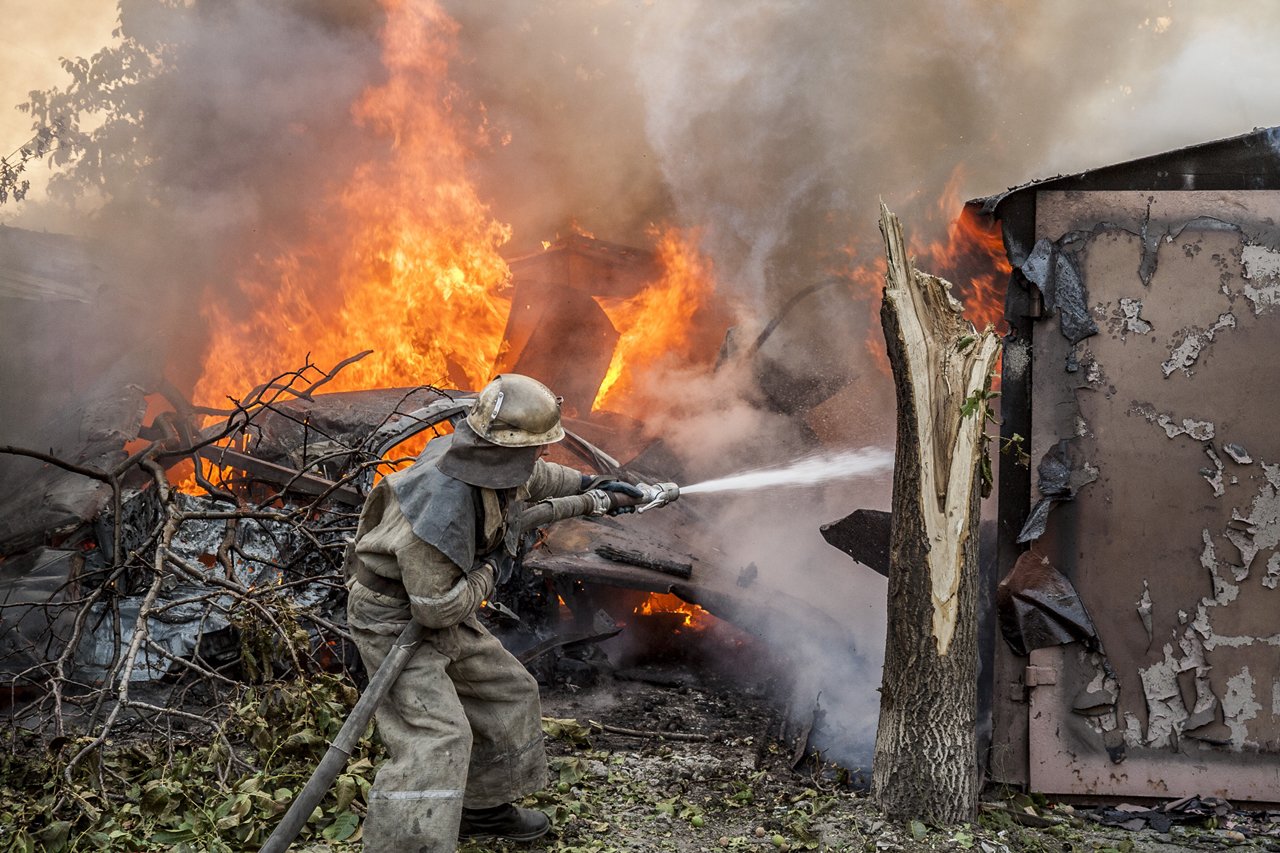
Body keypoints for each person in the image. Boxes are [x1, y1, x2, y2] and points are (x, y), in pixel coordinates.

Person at [345, 374, 641, 851]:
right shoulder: (440, 514)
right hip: (393, 615)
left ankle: (482, 811)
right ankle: (405, 845)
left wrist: (594, 487)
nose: (542, 456)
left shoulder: (483, 458)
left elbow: (536, 480)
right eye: (537, 449)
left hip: (432, 601)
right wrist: (493, 567)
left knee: (507, 690)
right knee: (438, 735)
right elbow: (438, 608)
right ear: (507, 449)